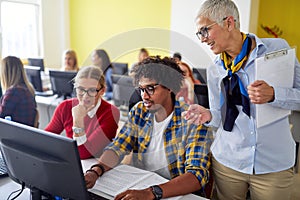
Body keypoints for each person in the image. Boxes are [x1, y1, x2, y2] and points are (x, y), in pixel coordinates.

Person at [183, 0, 300, 199]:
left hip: (273, 165)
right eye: (199, 33)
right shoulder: (215, 70)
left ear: (229, 22)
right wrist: (209, 115)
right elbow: (220, 118)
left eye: (205, 31)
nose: (202, 39)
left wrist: (274, 94)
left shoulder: (277, 49)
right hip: (228, 163)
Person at [84, 56, 212, 199]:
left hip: (175, 193)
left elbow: (196, 176)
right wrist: (95, 171)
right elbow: (118, 147)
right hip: (142, 186)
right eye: (141, 89)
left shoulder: (192, 119)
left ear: (169, 86)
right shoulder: (139, 111)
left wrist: (151, 193)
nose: (144, 96)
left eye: (150, 88)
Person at [45, 66, 120, 159]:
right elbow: (45, 140)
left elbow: (83, 153)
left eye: (92, 90)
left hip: (96, 167)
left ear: (102, 91)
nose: (85, 96)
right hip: (72, 162)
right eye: (80, 89)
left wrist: (78, 121)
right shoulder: (65, 107)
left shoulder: (111, 113)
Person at [0, 56, 38, 127]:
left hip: (17, 135)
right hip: (26, 134)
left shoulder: (14, 92)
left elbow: (1, 116)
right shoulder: (28, 88)